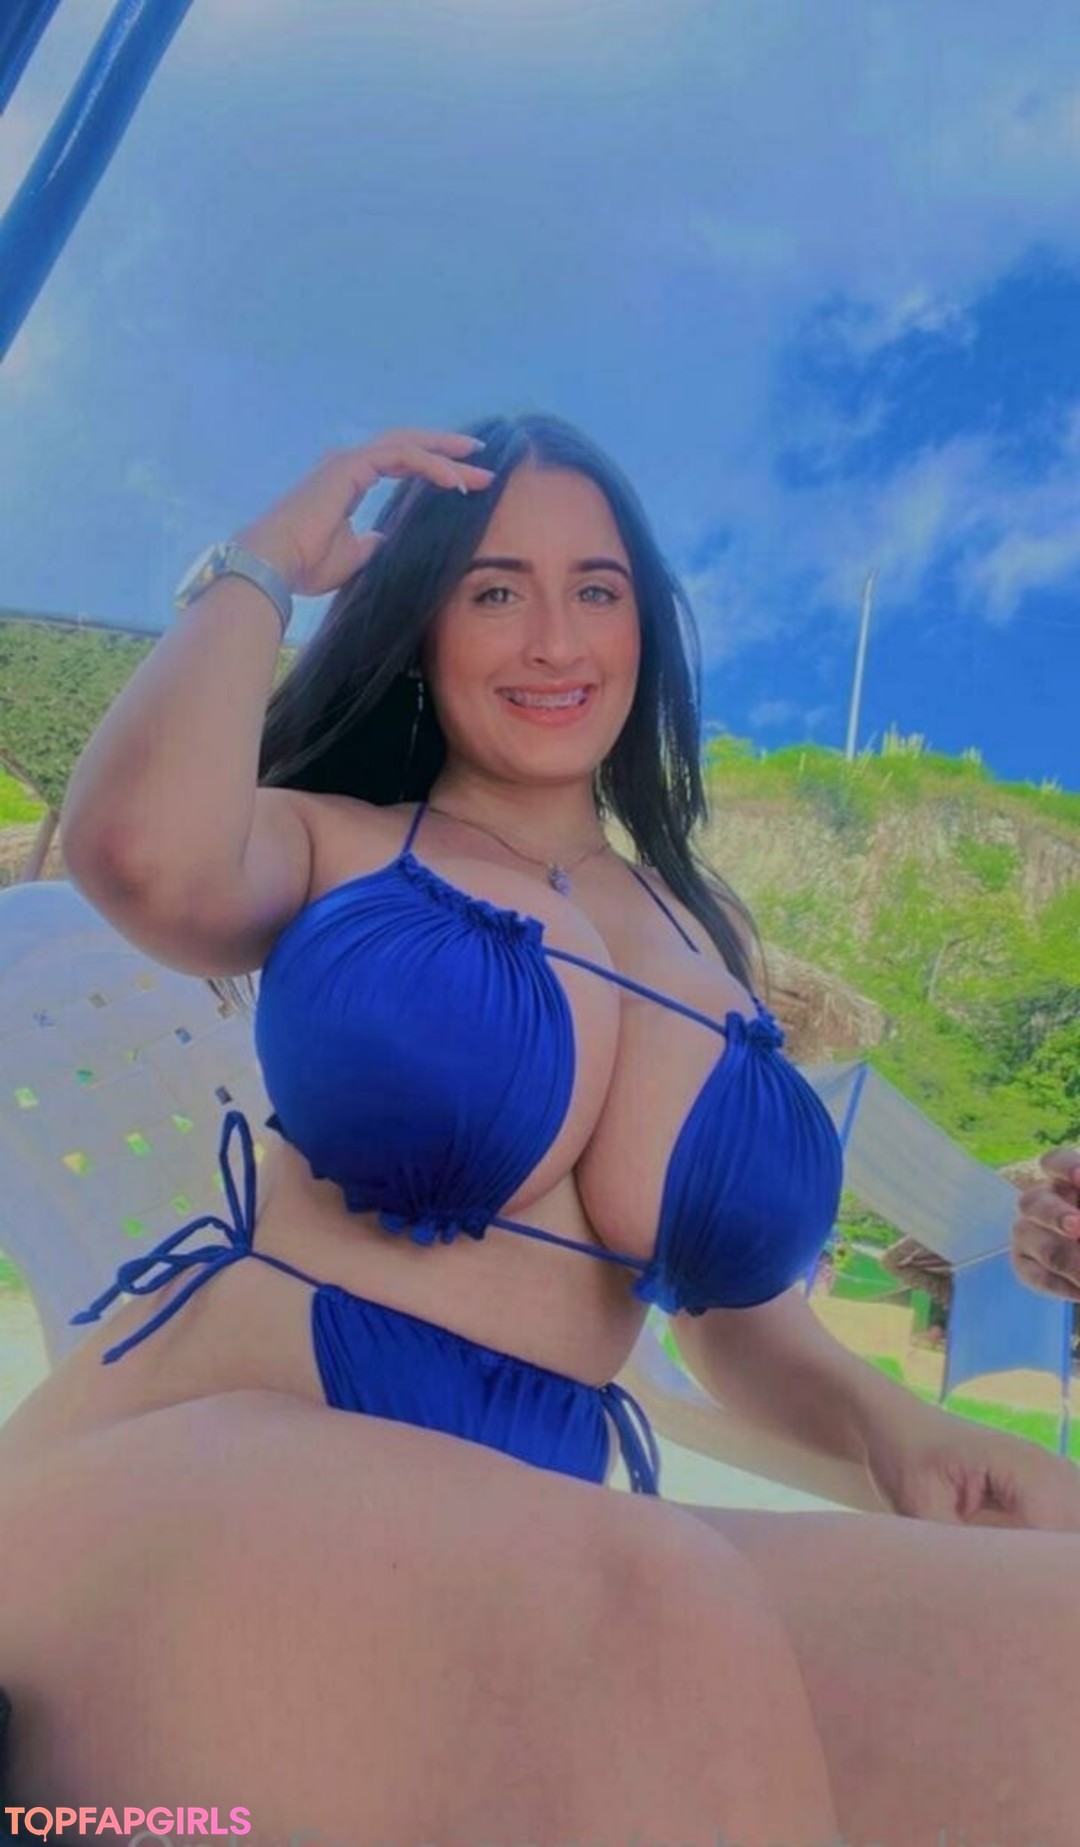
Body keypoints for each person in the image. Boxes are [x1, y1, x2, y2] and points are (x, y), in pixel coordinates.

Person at [2, 419, 1080, 1843]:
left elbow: (736, 1324)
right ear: (421, 625)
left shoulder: (707, 933)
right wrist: (264, 564)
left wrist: (902, 1430)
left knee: (1049, 1640)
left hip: (548, 1529)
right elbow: (137, 853)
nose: (555, 638)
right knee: (645, 1605)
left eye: (597, 589)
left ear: (645, 627)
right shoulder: (334, 839)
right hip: (233, 1444)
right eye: (495, 589)